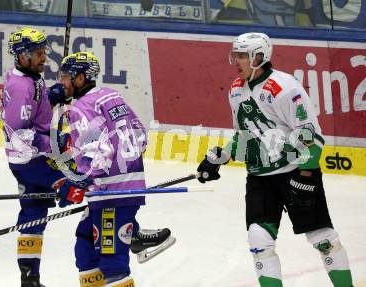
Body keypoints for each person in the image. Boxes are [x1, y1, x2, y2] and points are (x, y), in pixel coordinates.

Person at [197, 32, 353, 287]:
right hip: (260, 179)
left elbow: (310, 134)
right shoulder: (236, 90)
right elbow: (245, 137)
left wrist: (307, 175)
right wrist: (219, 157)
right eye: (235, 55)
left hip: (294, 171)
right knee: (259, 241)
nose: (236, 61)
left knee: (322, 238)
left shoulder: (284, 87)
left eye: (242, 56)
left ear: (259, 57)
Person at [47, 51, 174, 287]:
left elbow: (97, 154)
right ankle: (133, 233)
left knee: (112, 264)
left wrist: (76, 181)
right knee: (85, 245)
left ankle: (131, 233)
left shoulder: (82, 108)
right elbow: (140, 136)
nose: (61, 82)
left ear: (81, 78)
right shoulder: (110, 96)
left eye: (65, 77)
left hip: (111, 194)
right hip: (119, 188)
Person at [3, 27, 91, 287]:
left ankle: (29, 279)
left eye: (44, 52)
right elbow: (19, 133)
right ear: (22, 55)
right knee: (85, 180)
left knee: (33, 213)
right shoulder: (21, 87)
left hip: (26, 161)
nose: (44, 58)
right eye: (38, 54)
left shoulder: (29, 77)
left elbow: (37, 106)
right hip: (34, 161)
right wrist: (54, 141)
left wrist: (53, 95)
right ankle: (128, 231)